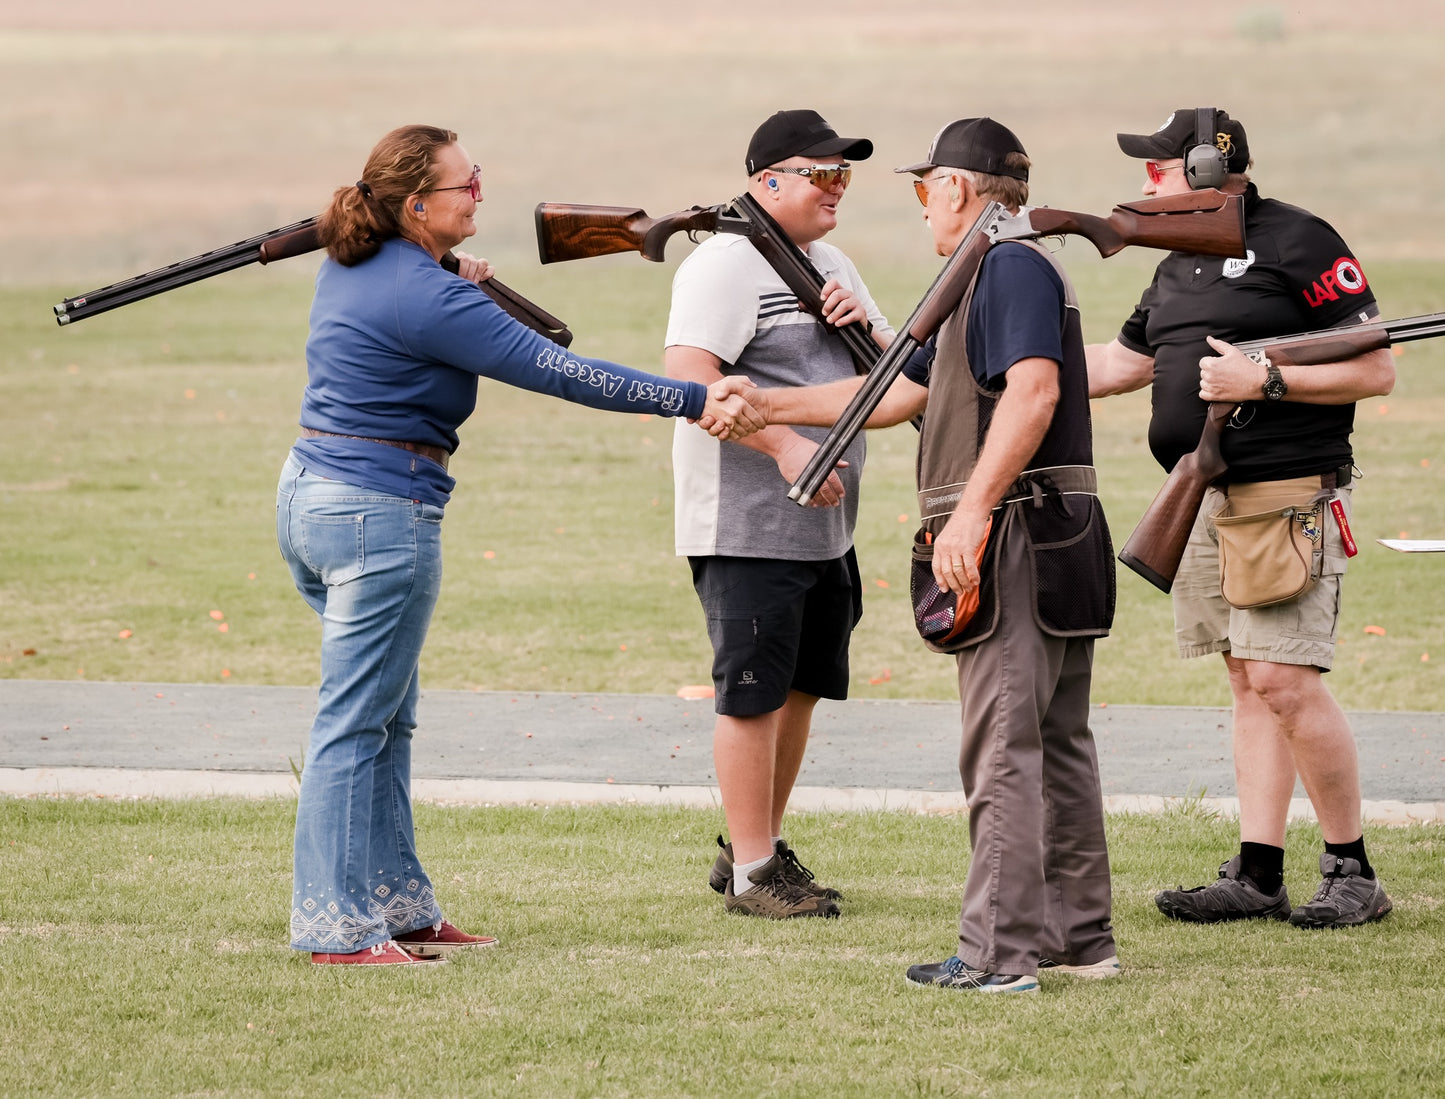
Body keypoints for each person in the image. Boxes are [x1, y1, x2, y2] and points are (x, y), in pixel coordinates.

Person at [279, 123, 761, 966]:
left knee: (383, 720)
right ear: (416, 204)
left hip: (314, 498)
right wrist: (693, 397)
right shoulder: (430, 294)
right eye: (465, 184)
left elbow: (418, 315)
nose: (480, 193)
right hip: (379, 513)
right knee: (356, 726)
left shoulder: (362, 264)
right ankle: (336, 929)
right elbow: (564, 372)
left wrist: (445, 272)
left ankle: (397, 908)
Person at [755, 117, 1119, 991]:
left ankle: (996, 956)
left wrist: (973, 514)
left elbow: (1033, 394)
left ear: (956, 189)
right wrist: (763, 402)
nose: (922, 207)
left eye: (925, 189)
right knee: (1057, 740)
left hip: (1015, 530)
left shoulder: (1008, 267)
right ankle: (1078, 938)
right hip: (1054, 528)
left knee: (1001, 745)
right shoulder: (993, 273)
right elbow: (893, 393)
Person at [1088, 108, 1396, 928]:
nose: (1142, 186)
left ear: (1196, 171)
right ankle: (1258, 872)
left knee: (1282, 680)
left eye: (1153, 169)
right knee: (1245, 678)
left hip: (1284, 492)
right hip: (1200, 494)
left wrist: (1265, 380)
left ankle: (1351, 869)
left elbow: (1374, 363)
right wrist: (1000, 370)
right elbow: (1121, 363)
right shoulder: (1177, 261)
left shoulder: (1299, 239)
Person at [664, 109, 895, 919]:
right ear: (766, 182)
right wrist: (790, 447)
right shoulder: (725, 265)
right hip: (746, 521)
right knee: (752, 692)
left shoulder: (827, 262)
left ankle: (753, 846)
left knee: (799, 687)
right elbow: (690, 385)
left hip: (826, 526)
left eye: (844, 175)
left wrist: (858, 324)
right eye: (820, 173)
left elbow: (899, 376)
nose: (837, 188)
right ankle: (757, 873)